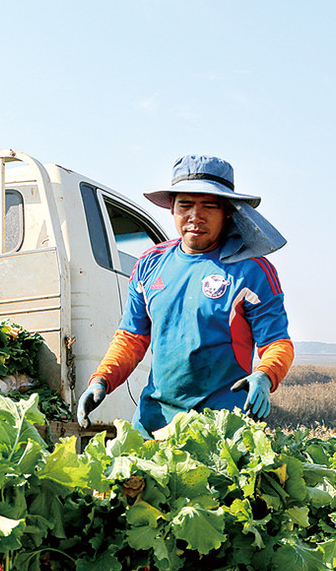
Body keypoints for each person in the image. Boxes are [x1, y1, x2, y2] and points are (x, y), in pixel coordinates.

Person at [76, 154, 294, 434]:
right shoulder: (149, 264)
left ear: (228, 211)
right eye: (186, 205)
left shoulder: (252, 271)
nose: (195, 216)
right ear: (172, 209)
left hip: (222, 426)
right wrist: (102, 379)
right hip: (154, 419)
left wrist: (265, 375)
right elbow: (131, 338)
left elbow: (277, 343)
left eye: (208, 206)